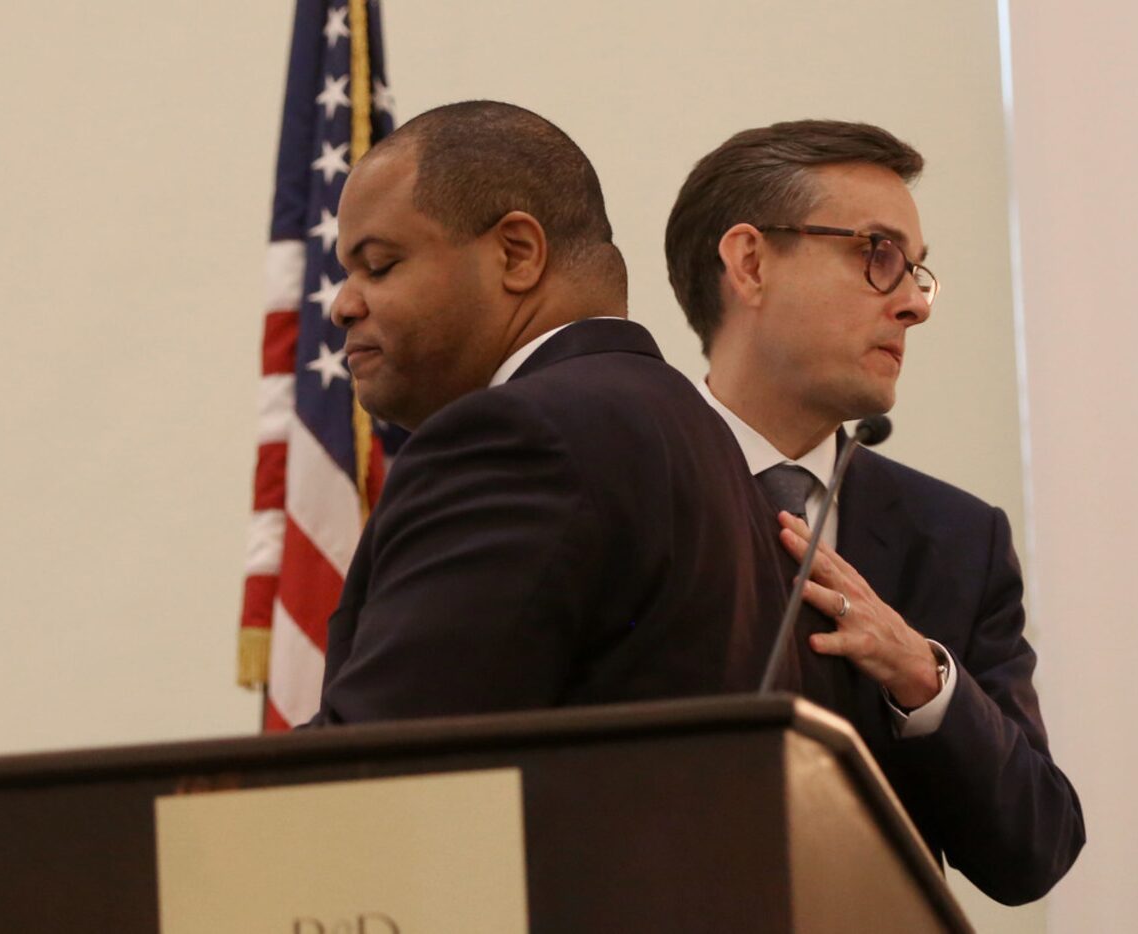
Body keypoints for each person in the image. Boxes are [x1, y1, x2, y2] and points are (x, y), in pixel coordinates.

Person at [664, 120, 1085, 904]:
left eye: (915, 272)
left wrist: (921, 678)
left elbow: (1035, 847)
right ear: (750, 263)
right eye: (876, 256)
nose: (913, 308)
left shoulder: (954, 540)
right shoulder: (619, 488)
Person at [310, 100, 809, 724]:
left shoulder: (517, 437)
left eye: (379, 265)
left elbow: (385, 761)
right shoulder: (690, 425)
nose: (342, 306)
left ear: (518, 253)